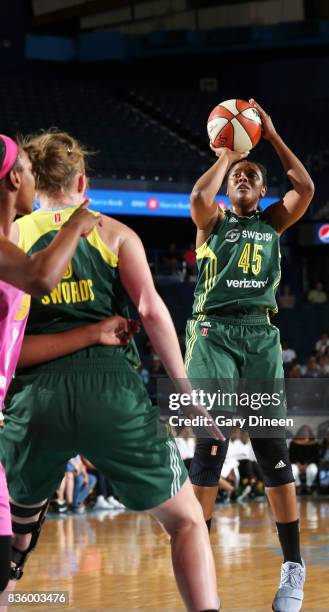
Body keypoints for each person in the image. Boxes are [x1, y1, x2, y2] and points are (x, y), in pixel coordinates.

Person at [1, 130, 222, 612]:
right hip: (111, 391)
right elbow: (154, 313)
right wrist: (188, 396)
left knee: (13, 544)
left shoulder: (12, 238)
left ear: (33, 183)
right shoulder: (114, 233)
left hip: (34, 396)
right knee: (186, 521)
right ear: (82, 180)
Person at [186, 99, 314, 611]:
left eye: (251, 175)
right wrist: (228, 150)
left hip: (260, 338)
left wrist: (273, 136)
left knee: (270, 451)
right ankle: (200, 564)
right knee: (210, 445)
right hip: (213, 333)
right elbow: (199, 194)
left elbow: (304, 188)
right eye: (237, 175)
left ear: (263, 193)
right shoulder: (211, 222)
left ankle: (293, 565)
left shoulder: (274, 223)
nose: (242, 177)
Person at [0, 134, 117, 593]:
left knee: (6, 569)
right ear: (15, 178)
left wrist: (90, 333)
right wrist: (76, 223)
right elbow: (42, 277)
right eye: (29, 170)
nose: (35, 177)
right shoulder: (17, 257)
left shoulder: (13, 243)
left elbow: (16, 352)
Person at [289, 426, 319, 494]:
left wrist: (307, 464)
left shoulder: (314, 443)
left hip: (309, 464)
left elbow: (315, 456)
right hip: (296, 464)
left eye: (306, 432)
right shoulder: (293, 443)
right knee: (292, 469)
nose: (305, 434)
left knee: (313, 469)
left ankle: (309, 486)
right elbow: (291, 456)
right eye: (303, 432)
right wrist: (297, 464)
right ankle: (298, 485)